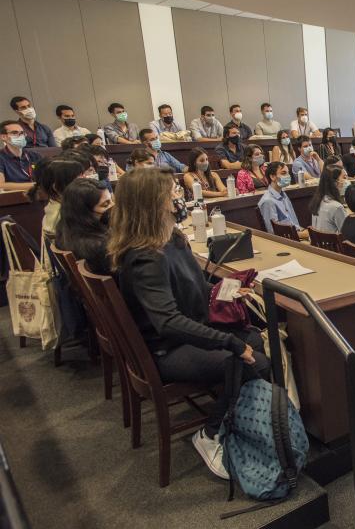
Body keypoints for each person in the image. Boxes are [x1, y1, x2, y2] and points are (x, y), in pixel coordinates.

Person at [110, 168, 270, 479]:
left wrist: (228, 289)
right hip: (167, 349)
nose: (178, 197)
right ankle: (211, 434)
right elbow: (168, 321)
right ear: (151, 204)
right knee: (253, 361)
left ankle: (242, 419)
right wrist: (229, 343)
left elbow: (195, 288)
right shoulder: (146, 258)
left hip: (185, 331)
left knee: (255, 339)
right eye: (171, 193)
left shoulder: (172, 239)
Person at [55, 178, 112, 275]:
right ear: (85, 212)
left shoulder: (65, 228)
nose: (113, 206)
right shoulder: (100, 247)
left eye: (111, 201)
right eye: (105, 204)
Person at [32, 156, 85, 241]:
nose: (86, 184)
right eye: (78, 181)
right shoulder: (63, 215)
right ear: (57, 187)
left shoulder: (59, 205)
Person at [258, 162, 310, 239]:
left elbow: (294, 223)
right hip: (287, 241)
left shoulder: (283, 194)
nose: (288, 176)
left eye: (288, 173)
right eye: (283, 173)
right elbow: (273, 233)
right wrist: (302, 235)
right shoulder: (268, 201)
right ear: (272, 177)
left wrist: (303, 231)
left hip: (296, 235)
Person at [0, 121, 40, 191]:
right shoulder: (1, 157)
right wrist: (35, 185)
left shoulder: (34, 155)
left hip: (39, 196)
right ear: (3, 137)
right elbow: (1, 185)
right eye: (14, 133)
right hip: (14, 198)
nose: (20, 136)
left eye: (22, 133)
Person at [309, 166, 347, 233]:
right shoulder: (337, 207)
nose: (346, 181)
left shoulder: (317, 201)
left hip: (319, 242)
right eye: (344, 177)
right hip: (334, 242)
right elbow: (346, 233)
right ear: (335, 182)